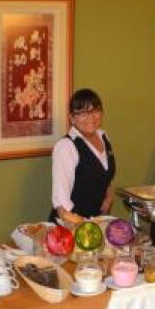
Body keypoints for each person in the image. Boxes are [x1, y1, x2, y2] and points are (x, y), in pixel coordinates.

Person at [50, 89, 116, 224]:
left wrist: (109, 195)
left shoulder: (104, 137)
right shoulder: (66, 147)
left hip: (95, 224)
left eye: (95, 110)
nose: (91, 117)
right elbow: (62, 208)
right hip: (70, 227)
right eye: (83, 113)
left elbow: (104, 176)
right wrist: (87, 228)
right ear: (72, 118)